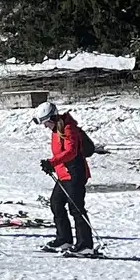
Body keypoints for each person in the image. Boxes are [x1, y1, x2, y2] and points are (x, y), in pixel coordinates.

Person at [34, 100, 95, 256]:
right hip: (64, 174)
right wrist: (51, 165)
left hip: (75, 174)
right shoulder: (56, 131)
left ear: (52, 118)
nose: (45, 126)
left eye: (46, 122)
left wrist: (52, 162)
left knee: (76, 208)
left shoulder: (68, 128)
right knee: (56, 204)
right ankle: (64, 239)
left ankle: (85, 245)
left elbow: (71, 152)